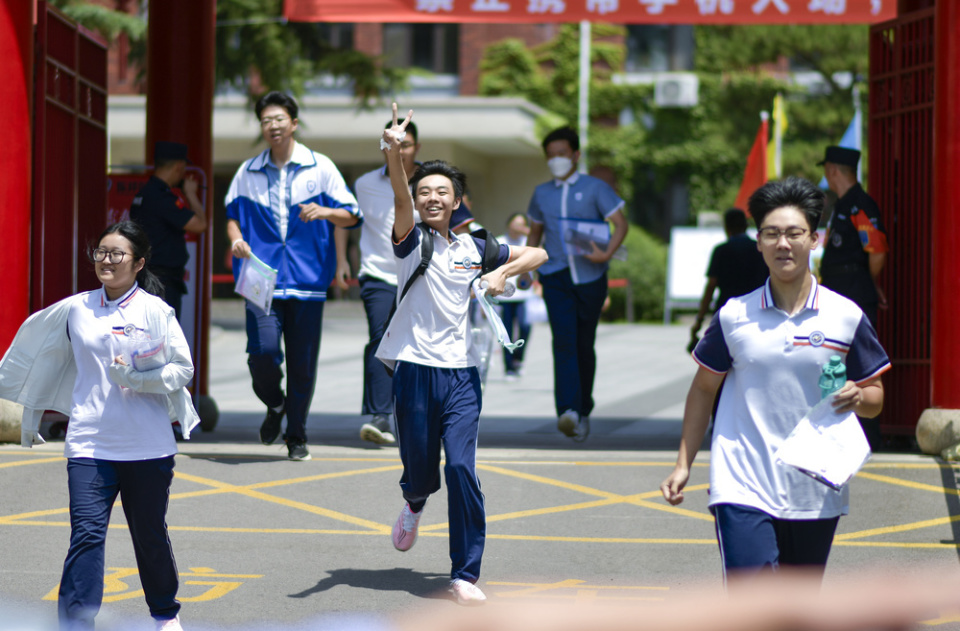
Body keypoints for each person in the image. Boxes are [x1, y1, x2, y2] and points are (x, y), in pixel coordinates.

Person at [660, 177, 890, 583]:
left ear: (814, 239)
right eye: (772, 234)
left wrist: (858, 397)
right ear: (759, 243)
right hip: (742, 483)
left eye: (794, 233)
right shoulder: (734, 316)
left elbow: (877, 397)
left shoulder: (845, 315)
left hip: (815, 486)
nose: (783, 243)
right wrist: (683, 465)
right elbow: (702, 389)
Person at [375, 104, 547, 605]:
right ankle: (412, 502)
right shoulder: (411, 241)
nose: (431, 198)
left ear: (456, 202)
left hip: (462, 374)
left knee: (462, 470)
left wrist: (501, 273)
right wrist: (393, 152)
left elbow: (537, 254)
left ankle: (464, 574)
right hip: (414, 369)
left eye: (440, 192)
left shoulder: (475, 246)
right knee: (422, 468)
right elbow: (400, 198)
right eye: (424, 191)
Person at [0, 221, 199, 631]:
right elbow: (35, 349)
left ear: (139, 263)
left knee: (149, 535)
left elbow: (183, 368)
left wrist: (139, 380)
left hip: (147, 445)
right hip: (89, 442)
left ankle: (165, 614)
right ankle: (75, 622)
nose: (106, 261)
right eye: (101, 253)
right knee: (86, 535)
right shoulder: (76, 308)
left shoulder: (155, 311)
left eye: (117, 254)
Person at [225, 91, 362, 461]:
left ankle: (296, 434)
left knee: (302, 364)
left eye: (279, 119)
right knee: (262, 353)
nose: (272, 126)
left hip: (307, 275)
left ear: (294, 123)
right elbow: (232, 216)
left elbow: (351, 213)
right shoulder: (248, 171)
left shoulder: (321, 167)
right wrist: (237, 240)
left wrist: (325, 212)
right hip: (258, 273)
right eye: (266, 121)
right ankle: (275, 403)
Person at [334, 120, 476, 446]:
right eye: (393, 143)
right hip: (379, 274)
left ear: (417, 148)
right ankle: (380, 416)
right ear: (384, 145)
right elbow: (348, 221)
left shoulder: (434, 183)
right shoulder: (365, 183)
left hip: (426, 274)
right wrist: (342, 259)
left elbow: (462, 227)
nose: (401, 149)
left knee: (422, 343)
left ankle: (422, 412)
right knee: (380, 337)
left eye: (407, 144)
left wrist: (466, 272)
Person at [525, 126, 628, 441]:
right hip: (555, 276)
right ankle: (567, 411)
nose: (556, 160)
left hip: (591, 278)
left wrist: (606, 254)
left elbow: (621, 224)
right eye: (551, 156)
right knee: (564, 342)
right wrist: (526, 268)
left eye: (562, 154)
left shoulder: (595, 188)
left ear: (576, 155)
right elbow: (535, 233)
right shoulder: (541, 193)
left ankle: (583, 409)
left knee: (584, 344)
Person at [130, 141, 207, 320]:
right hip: (162, 281)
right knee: (163, 337)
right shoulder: (163, 198)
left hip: (144, 277)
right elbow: (200, 224)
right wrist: (191, 194)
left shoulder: (143, 194)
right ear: (179, 167)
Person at [818, 146, 889, 328]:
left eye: (826, 170)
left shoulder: (860, 205)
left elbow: (877, 250)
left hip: (853, 291)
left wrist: (869, 280)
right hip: (837, 289)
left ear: (832, 170)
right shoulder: (841, 204)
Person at [689, 208, 768, 352]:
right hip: (756, 310)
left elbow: (711, 285)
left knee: (723, 359)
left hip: (725, 310)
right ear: (745, 226)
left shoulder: (721, 250)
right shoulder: (759, 250)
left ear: (727, 227)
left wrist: (699, 320)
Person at [497, 213, 535, 380]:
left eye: (522, 224)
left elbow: (542, 255)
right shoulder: (499, 241)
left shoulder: (529, 242)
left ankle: (518, 358)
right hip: (505, 295)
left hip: (524, 294)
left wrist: (530, 233)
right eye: (516, 224)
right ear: (508, 225)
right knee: (507, 332)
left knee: (525, 327)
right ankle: (509, 368)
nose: (518, 227)